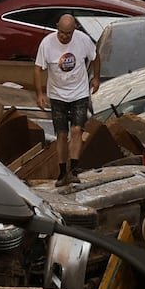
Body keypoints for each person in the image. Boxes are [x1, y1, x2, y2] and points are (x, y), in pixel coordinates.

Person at [34, 14, 100, 187]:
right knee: (62, 134)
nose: (64, 37)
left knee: (77, 130)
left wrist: (96, 78)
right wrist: (40, 93)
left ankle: (74, 168)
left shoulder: (83, 40)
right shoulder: (47, 43)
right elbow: (38, 69)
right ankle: (62, 172)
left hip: (79, 93)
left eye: (68, 34)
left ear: (74, 30)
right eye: (61, 33)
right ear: (57, 28)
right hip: (57, 95)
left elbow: (95, 57)